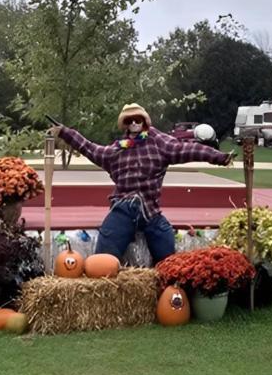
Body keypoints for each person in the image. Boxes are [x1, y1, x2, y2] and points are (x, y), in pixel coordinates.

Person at [52, 103, 234, 264]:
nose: (134, 123)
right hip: (123, 208)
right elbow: (89, 147)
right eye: (129, 120)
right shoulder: (116, 150)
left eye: (137, 119)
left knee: (169, 259)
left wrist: (219, 158)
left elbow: (190, 149)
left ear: (144, 121)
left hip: (151, 212)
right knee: (103, 260)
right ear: (125, 124)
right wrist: (65, 133)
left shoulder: (159, 143)